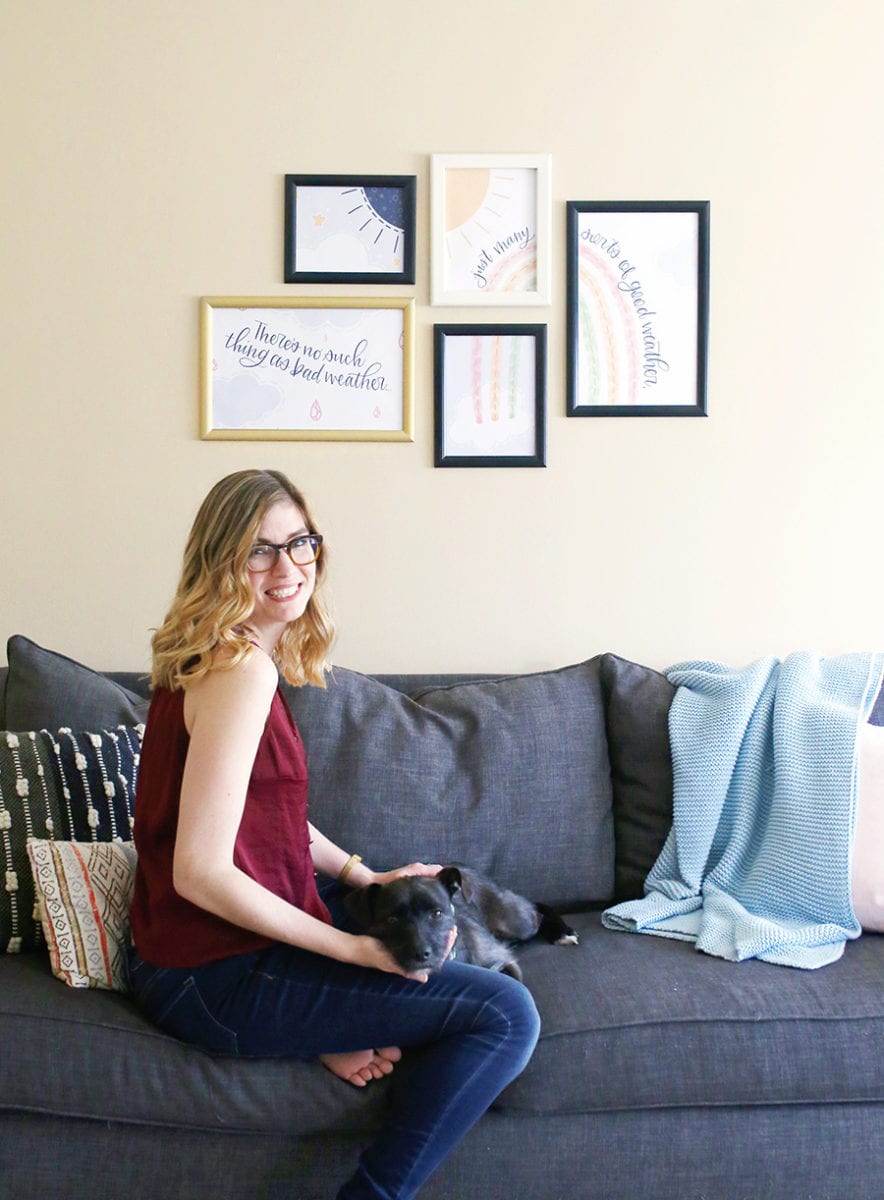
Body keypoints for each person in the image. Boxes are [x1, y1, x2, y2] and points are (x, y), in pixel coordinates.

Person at [127, 468, 541, 1200]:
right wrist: (352, 950)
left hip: (185, 952)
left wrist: (361, 875)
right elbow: (200, 871)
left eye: (299, 544)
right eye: (259, 551)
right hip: (209, 974)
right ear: (220, 561)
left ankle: (320, 1027)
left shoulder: (219, 653)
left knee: (389, 911)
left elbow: (270, 816)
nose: (287, 569)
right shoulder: (238, 670)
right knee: (506, 1014)